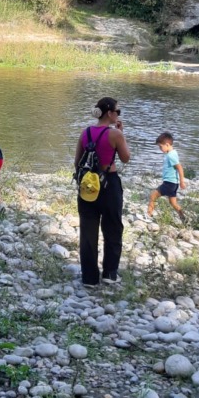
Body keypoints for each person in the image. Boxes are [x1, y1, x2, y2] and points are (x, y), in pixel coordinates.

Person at [74, 97, 131, 287]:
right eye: (118, 112)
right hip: (109, 185)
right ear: (110, 113)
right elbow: (125, 158)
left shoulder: (85, 132)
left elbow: (77, 162)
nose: (118, 115)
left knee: (88, 232)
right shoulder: (115, 134)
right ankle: (110, 273)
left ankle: (89, 278)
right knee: (113, 228)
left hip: (87, 185)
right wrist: (121, 135)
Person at [148, 132, 187, 221]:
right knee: (173, 203)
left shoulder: (170, 155)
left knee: (153, 196)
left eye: (160, 147)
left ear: (167, 144)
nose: (160, 149)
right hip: (173, 184)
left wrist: (182, 181)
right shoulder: (173, 153)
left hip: (169, 183)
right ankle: (183, 218)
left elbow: (179, 167)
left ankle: (148, 215)